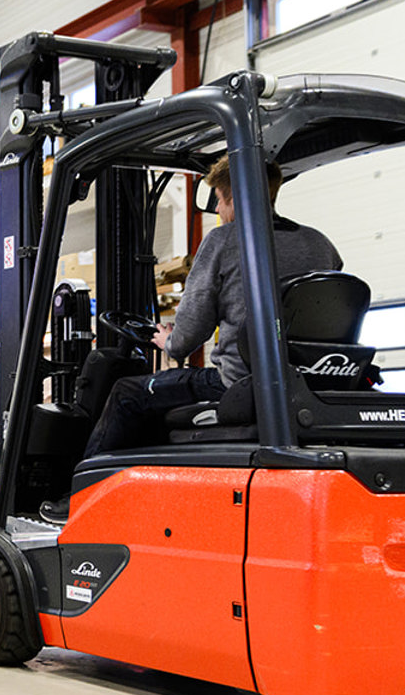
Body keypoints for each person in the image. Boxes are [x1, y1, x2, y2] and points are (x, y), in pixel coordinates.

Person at [74, 155, 341, 468]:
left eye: (219, 201)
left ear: (233, 197)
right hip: (311, 382)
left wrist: (168, 341)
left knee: (126, 392)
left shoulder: (224, 240)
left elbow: (187, 337)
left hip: (238, 384)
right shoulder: (321, 244)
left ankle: (82, 486)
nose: (218, 211)